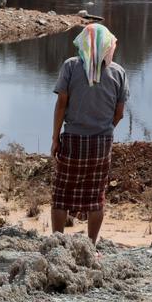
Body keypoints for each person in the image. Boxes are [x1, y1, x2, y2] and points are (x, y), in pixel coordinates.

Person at [50, 23, 128, 245]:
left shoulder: (71, 67)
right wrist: (105, 128)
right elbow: (119, 113)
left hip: (73, 139)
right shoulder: (118, 72)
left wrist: (56, 138)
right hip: (102, 142)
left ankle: (58, 243)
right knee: (96, 195)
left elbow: (61, 104)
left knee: (61, 194)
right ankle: (91, 245)